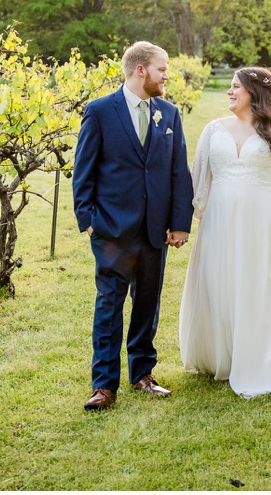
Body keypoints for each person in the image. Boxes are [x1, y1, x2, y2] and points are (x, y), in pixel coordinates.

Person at [178, 66, 271, 398]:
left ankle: (262, 356)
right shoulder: (213, 130)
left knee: (260, 285)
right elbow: (198, 179)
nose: (230, 92)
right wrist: (187, 220)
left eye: (236, 87)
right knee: (220, 282)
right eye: (230, 87)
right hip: (219, 221)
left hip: (264, 225)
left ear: (254, 93)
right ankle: (226, 354)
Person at [72, 41, 195, 411]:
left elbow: (178, 172)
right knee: (109, 305)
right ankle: (104, 385)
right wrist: (90, 222)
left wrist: (179, 223)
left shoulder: (169, 114)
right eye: (162, 68)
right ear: (141, 70)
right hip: (111, 229)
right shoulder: (99, 112)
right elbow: (83, 172)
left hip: (155, 230)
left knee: (147, 303)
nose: (167, 75)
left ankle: (143, 373)